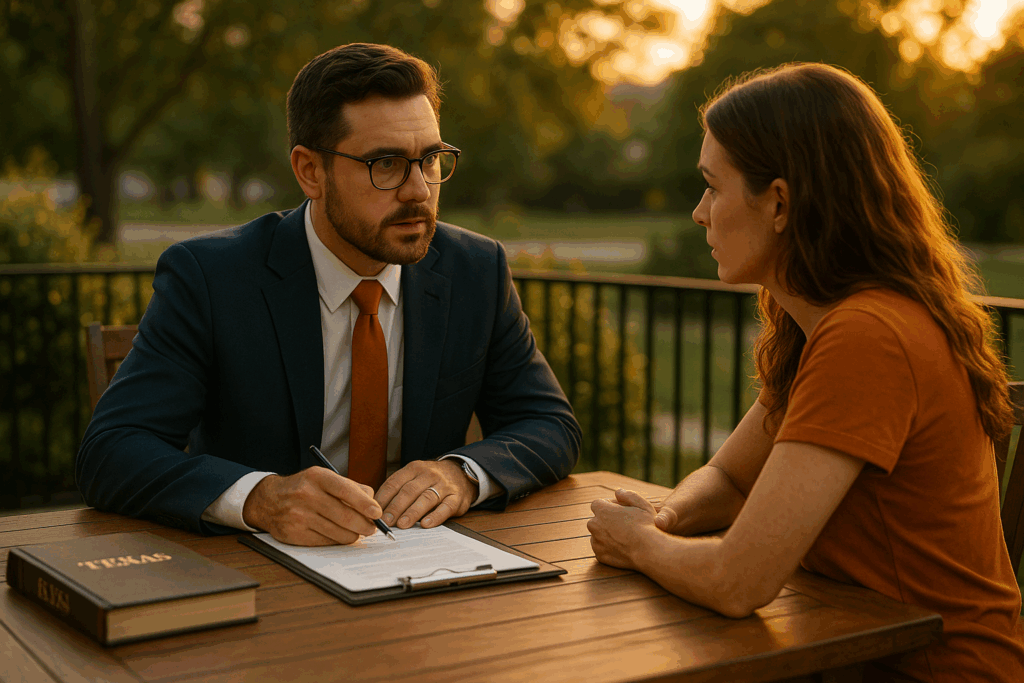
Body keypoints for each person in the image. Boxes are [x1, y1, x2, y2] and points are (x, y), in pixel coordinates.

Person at [587, 63, 1024, 681]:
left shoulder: (869, 337)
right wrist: (666, 517)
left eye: (714, 187)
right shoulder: (819, 322)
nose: (698, 212)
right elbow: (731, 480)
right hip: (849, 651)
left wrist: (638, 544)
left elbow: (740, 581)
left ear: (781, 202)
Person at [77, 43, 581, 547]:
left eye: (431, 159)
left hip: (426, 570)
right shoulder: (211, 277)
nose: (419, 190)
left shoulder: (475, 270)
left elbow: (548, 423)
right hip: (259, 577)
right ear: (310, 171)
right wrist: (261, 498)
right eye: (386, 163)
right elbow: (113, 450)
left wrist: (463, 474)